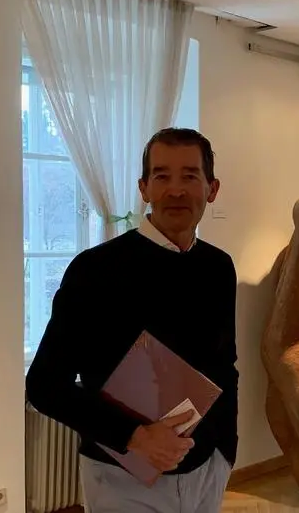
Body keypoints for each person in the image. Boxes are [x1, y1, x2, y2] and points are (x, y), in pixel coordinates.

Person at [26, 127, 238, 513]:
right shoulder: (94, 271)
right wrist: (136, 437)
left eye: (190, 176)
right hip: (122, 476)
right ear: (144, 188)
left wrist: (227, 451)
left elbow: (225, 366)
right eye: (162, 176)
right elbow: (43, 386)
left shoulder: (218, 267)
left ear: (212, 189)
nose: (176, 190)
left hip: (206, 470)